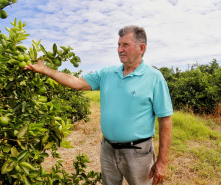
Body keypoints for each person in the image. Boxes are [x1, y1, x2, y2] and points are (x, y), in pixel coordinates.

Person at [24, 25, 173, 185]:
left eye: (125, 45)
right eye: (118, 44)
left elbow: (165, 120)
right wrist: (46, 70)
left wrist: (162, 162)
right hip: (108, 149)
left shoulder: (154, 77)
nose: (119, 49)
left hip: (138, 153)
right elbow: (77, 82)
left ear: (141, 48)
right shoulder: (107, 73)